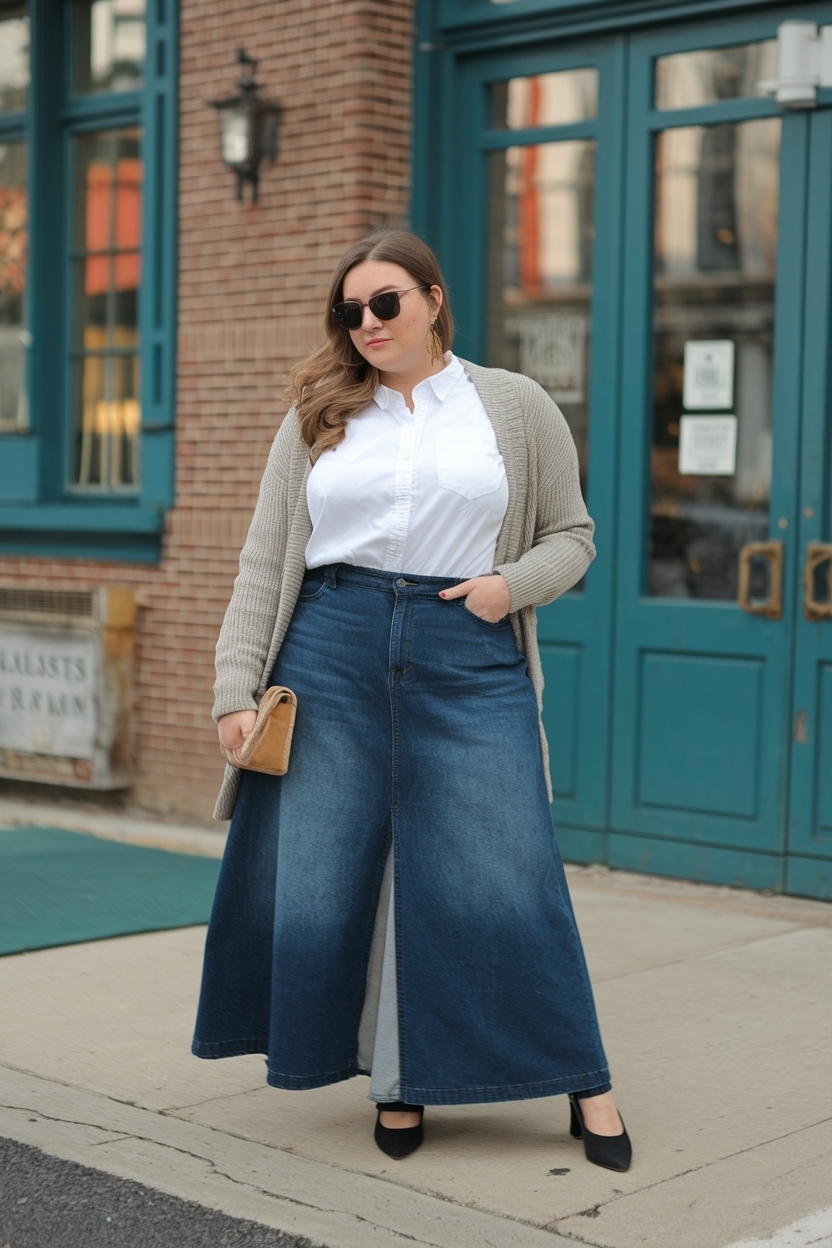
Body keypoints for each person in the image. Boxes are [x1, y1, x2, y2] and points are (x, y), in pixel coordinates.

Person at [192, 228, 631, 1172]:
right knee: (329, 873)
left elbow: (573, 535)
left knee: (507, 870)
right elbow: (265, 559)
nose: (368, 322)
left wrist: (508, 588)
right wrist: (235, 687)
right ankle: (399, 1084)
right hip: (330, 648)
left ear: (433, 300)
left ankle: (584, 1081)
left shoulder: (513, 404)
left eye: (386, 302)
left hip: (466, 645)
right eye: (350, 310)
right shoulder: (318, 413)